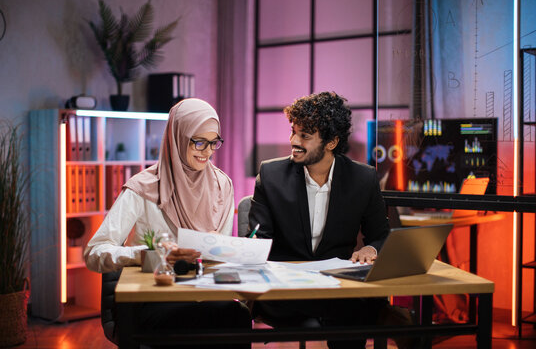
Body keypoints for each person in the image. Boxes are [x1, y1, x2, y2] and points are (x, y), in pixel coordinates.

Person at [248, 91, 412, 349]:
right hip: (286, 289)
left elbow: (382, 235)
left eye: (305, 136)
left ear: (331, 142)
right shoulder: (271, 175)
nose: (293, 141)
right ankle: (385, 315)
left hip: (338, 285)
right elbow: (259, 239)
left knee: (348, 305)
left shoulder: (363, 179)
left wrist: (371, 248)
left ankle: (380, 314)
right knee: (354, 310)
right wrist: (249, 248)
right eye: (293, 132)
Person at [85, 98, 251, 349]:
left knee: (236, 316)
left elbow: (218, 252)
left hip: (205, 294)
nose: (207, 152)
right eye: (199, 142)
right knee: (189, 322)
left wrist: (226, 249)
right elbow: (94, 253)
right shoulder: (142, 188)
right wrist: (146, 254)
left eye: (213, 142)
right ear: (177, 138)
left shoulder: (222, 185)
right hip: (155, 295)